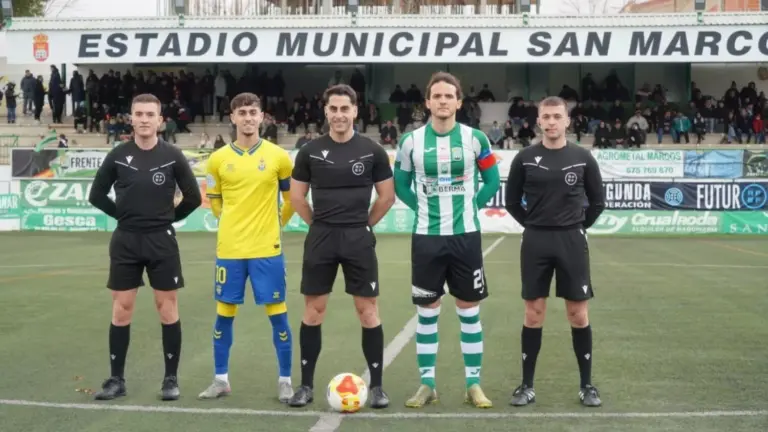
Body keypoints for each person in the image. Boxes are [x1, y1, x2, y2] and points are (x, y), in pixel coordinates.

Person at [392, 72, 501, 409]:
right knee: (427, 313)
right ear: (427, 102)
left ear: (458, 102)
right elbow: (400, 185)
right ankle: (427, 384)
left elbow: (492, 180)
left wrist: (470, 206)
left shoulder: (475, 139)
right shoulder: (410, 141)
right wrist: (422, 208)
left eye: (448, 96)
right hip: (426, 239)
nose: (442, 101)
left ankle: (473, 384)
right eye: (436, 96)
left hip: (465, 238)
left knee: (469, 311)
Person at [88, 93, 202, 401]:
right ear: (131, 118)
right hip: (126, 240)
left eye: (150, 114)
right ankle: (116, 380)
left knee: (167, 308)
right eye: (139, 114)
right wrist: (123, 216)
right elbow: (96, 195)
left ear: (160, 120)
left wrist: (167, 219)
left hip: (161, 241)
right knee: (121, 309)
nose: (144, 119)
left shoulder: (173, 155)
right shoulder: (118, 155)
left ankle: (170, 379)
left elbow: (194, 198)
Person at [287, 84, 395, 409]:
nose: (338, 115)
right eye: (333, 109)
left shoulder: (372, 151)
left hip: (358, 239)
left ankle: (377, 387)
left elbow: (387, 197)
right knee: (313, 311)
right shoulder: (309, 151)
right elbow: (297, 197)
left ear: (355, 111)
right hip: (321, 238)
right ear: (326, 112)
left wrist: (363, 225)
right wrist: (319, 225)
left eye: (344, 109)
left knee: (368, 311)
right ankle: (305, 386)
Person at [504, 96, 606, 408]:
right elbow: (511, 202)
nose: (551, 122)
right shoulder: (524, 158)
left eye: (557, 116)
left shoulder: (582, 158)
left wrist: (576, 227)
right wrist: (533, 225)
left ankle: (587, 386)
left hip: (571, 241)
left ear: (567, 121)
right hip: (535, 241)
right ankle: (527, 386)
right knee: (533, 312)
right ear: (538, 121)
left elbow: (597, 202)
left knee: (578, 313)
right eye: (546, 117)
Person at [197, 93, 295, 402]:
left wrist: (276, 223)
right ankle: (220, 380)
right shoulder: (217, 160)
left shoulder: (279, 157)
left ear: (262, 116)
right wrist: (232, 224)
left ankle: (285, 380)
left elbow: (291, 199)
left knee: (278, 315)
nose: (248, 117)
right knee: (224, 314)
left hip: (267, 249)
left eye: (253, 112)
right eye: (242, 112)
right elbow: (215, 202)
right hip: (230, 250)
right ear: (233, 117)